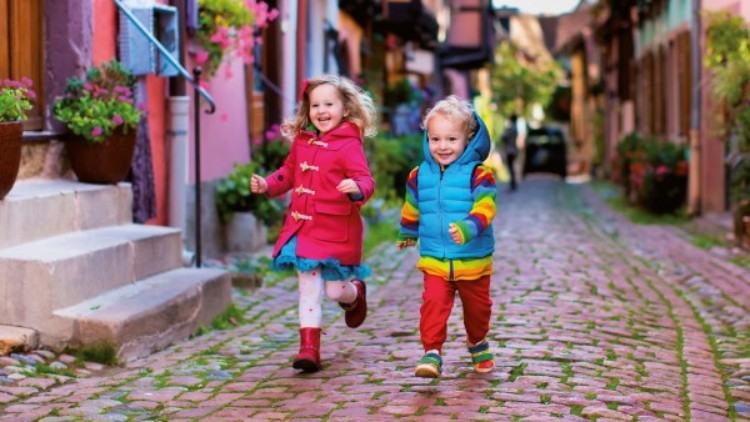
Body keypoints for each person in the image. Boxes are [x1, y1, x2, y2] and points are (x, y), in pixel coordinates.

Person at [250, 75, 377, 373]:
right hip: (303, 229)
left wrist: (356, 188)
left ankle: (354, 294)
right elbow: (289, 172)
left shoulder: (349, 145)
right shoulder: (303, 143)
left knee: (334, 291)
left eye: (328, 104)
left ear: (344, 108)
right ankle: (309, 348)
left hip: (335, 231)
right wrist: (267, 185)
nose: (321, 111)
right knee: (308, 287)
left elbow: (366, 179)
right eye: (315, 105)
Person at [397, 95, 497, 378]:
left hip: (472, 259)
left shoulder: (479, 175)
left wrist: (468, 227)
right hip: (434, 258)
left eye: (452, 139)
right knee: (433, 305)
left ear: (468, 140)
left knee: (478, 309)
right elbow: (413, 205)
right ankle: (432, 352)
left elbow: (486, 207)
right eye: (435, 139)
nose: (442, 146)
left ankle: (477, 341)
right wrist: (408, 231)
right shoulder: (419, 175)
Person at [501, 114, 519, 191]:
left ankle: (513, 183)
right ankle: (513, 182)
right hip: (514, 149)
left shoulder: (511, 128)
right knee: (511, 167)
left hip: (509, 150)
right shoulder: (515, 128)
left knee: (510, 167)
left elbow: (503, 137)